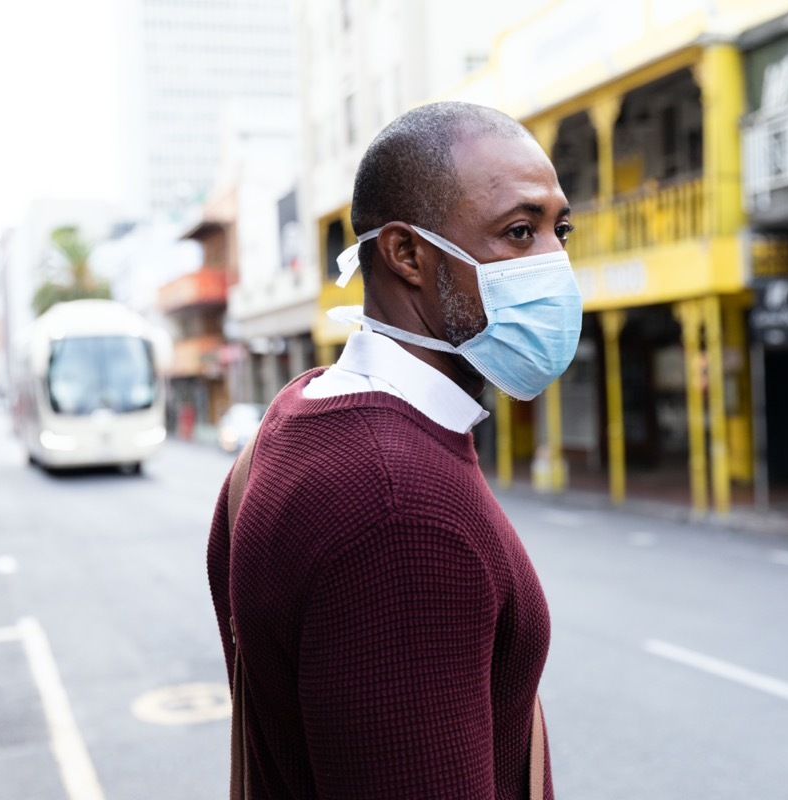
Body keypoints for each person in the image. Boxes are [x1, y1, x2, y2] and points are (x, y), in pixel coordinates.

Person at [207, 100, 582, 799]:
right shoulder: (398, 511)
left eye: (560, 230)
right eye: (520, 232)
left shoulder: (294, 418)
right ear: (406, 254)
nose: (556, 264)